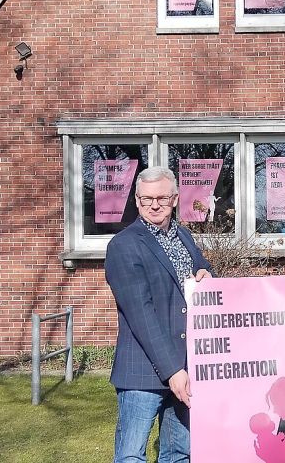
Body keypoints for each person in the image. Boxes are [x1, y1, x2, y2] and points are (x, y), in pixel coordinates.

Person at [105, 166, 213, 463]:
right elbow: (141, 313)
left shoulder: (184, 238)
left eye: (162, 198)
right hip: (143, 371)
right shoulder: (124, 246)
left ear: (175, 199)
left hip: (186, 366)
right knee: (131, 456)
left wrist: (207, 273)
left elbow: (203, 270)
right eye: (146, 199)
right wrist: (172, 370)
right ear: (137, 201)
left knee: (180, 453)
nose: (154, 205)